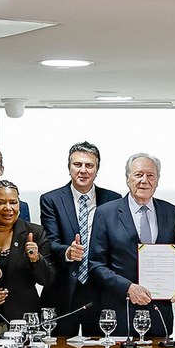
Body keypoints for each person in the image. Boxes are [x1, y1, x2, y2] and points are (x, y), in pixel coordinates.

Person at [89, 153, 175, 338]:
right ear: (127, 179)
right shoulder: (105, 213)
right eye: (138, 175)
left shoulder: (171, 212)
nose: (144, 181)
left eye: (150, 175)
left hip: (159, 313)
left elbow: (174, 259)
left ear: (157, 180)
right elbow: (96, 265)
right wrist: (128, 287)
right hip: (120, 311)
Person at [40, 141, 122, 337]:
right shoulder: (51, 200)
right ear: (69, 167)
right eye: (77, 164)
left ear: (97, 169)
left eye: (89, 165)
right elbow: (50, 241)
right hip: (63, 289)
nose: (83, 170)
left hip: (100, 289)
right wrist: (67, 252)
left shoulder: (113, 199)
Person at [0, 180, 55, 333]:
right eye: (1, 202)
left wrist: (36, 259)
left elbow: (48, 279)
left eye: (13, 202)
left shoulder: (34, 232)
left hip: (23, 320)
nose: (8, 208)